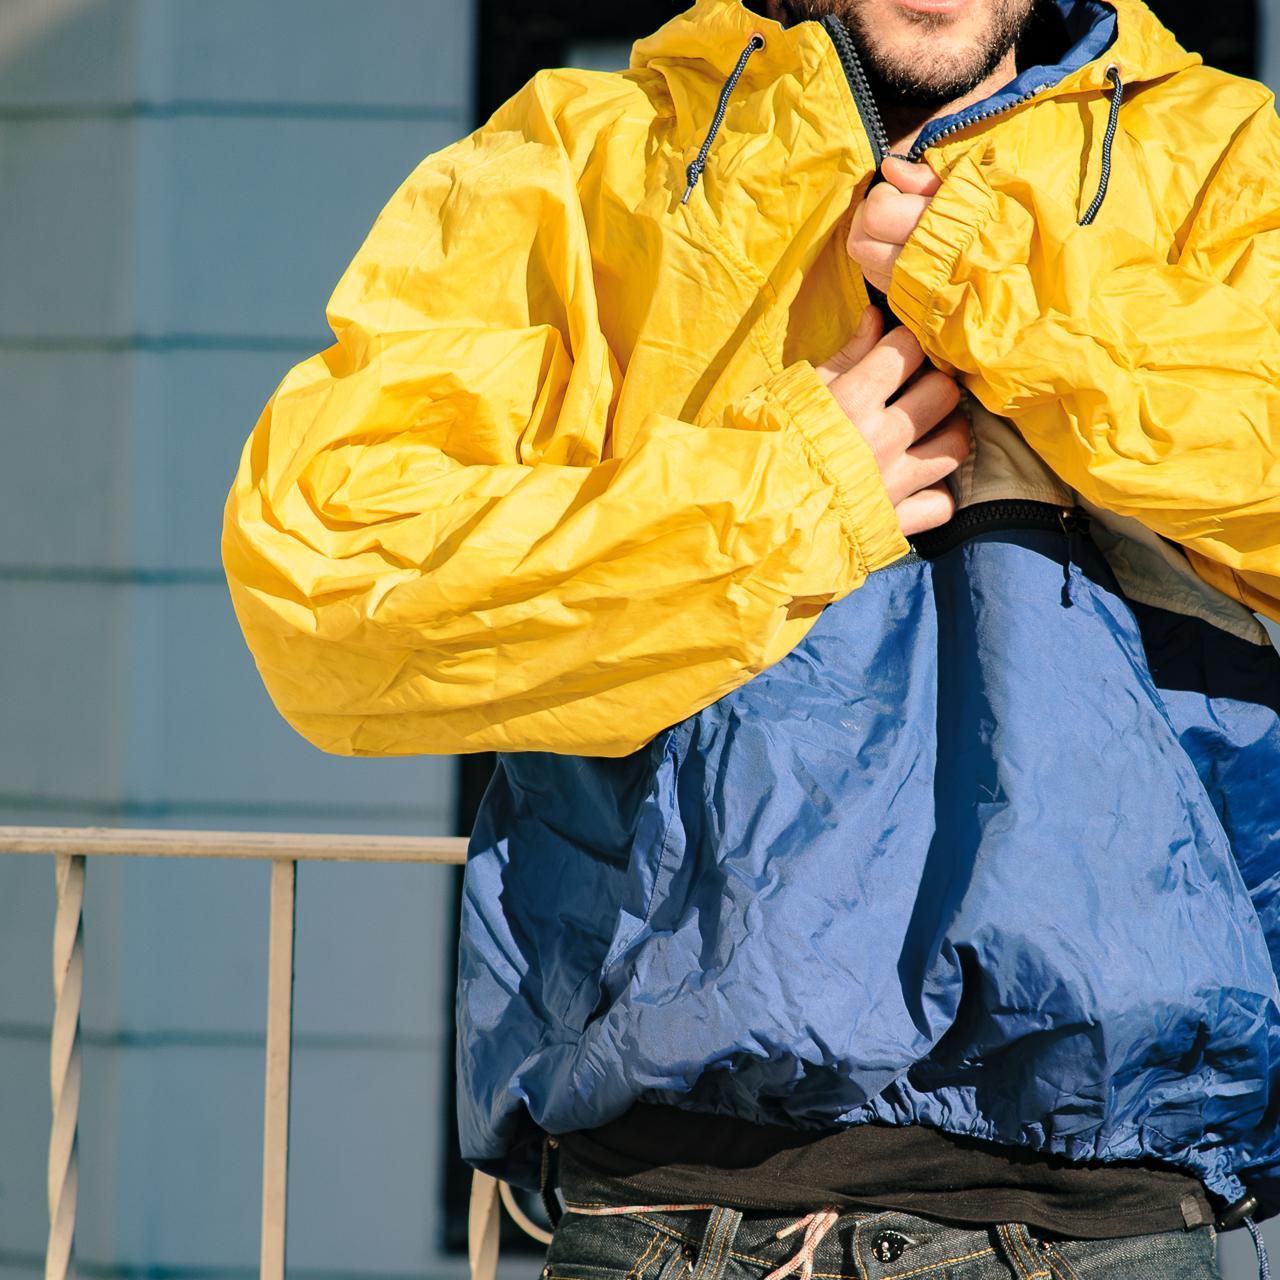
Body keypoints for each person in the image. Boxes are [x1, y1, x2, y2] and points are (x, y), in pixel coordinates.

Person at [221, 0, 1280, 1276]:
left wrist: (1002, 287)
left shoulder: (1229, 161)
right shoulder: (588, 157)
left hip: (1100, 1216)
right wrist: (788, 492)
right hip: (666, 1211)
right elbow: (327, 578)